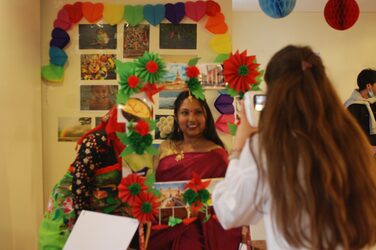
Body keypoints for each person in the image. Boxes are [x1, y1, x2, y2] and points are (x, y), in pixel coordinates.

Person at [213, 45, 376, 250]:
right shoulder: (351, 138)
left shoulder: (267, 147)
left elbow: (230, 212)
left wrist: (238, 149)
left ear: (275, 93)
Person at [148, 91, 242, 250]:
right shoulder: (165, 148)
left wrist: (189, 212)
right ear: (176, 117)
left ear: (206, 118)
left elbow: (225, 205)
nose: (191, 119)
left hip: (197, 237)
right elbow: (158, 191)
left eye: (198, 112)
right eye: (185, 113)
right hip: (161, 233)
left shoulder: (217, 156)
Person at [39, 107, 128, 249]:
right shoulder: (96, 141)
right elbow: (80, 185)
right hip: (74, 206)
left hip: (100, 211)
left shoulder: (128, 145)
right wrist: (86, 225)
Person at [344, 68, 376, 145]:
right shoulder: (352, 107)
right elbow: (349, 136)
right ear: (369, 86)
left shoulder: (373, 102)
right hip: (362, 150)